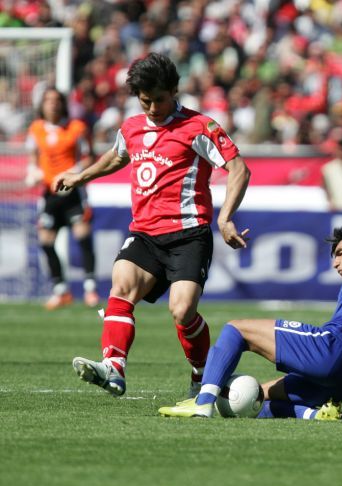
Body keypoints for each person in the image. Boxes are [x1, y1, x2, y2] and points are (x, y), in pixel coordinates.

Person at [52, 53, 251, 398]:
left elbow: (238, 169)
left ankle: (202, 375)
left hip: (189, 234)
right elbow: (117, 156)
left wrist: (225, 216)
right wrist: (80, 176)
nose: (154, 108)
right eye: (146, 101)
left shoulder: (199, 127)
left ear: (174, 91)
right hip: (144, 233)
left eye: (160, 99)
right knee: (121, 286)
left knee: (182, 310)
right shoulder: (131, 127)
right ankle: (113, 367)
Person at [158, 223, 342, 420]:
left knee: (236, 329)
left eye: (340, 253)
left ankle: (202, 401)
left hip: (330, 351)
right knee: (259, 396)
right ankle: (312, 415)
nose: (335, 263)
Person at [26, 87, 98, 310]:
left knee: (83, 237)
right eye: (48, 100)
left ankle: (90, 288)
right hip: (50, 194)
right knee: (46, 242)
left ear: (63, 104)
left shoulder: (77, 128)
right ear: (42, 105)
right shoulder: (36, 129)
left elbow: (89, 157)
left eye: (56, 100)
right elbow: (33, 158)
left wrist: (74, 172)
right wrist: (33, 172)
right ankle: (60, 291)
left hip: (73, 193)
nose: (53, 104)